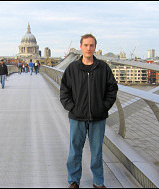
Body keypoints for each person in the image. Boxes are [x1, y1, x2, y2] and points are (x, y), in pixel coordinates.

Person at [60, 34, 118, 188]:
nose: (88, 48)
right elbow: (64, 91)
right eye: (86, 45)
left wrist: (104, 106)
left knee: (97, 152)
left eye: (91, 45)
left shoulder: (103, 68)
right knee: (74, 151)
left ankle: (98, 182)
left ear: (95, 47)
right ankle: (73, 181)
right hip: (77, 117)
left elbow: (112, 88)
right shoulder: (72, 68)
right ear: (80, 47)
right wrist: (72, 107)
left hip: (98, 117)